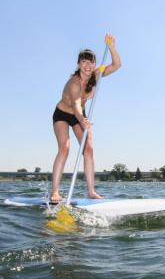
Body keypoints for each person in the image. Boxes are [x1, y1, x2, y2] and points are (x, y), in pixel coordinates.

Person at [50, 34, 121, 203]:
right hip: (63, 114)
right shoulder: (74, 82)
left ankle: (91, 191)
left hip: (80, 115)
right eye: (84, 62)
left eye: (91, 62)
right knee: (65, 147)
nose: (87, 65)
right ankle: (55, 192)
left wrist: (111, 47)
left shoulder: (97, 75)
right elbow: (75, 104)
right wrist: (82, 120)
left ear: (95, 64)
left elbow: (117, 65)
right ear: (78, 64)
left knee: (88, 149)